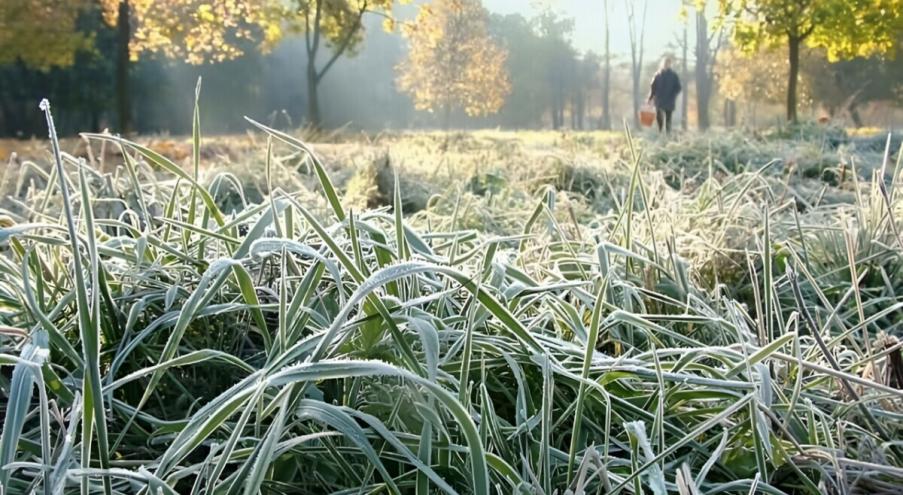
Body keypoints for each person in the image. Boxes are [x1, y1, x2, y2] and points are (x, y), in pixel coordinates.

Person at [647, 56, 681, 134]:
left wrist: (673, 95)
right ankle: (660, 132)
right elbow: (653, 87)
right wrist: (650, 98)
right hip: (659, 100)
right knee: (659, 117)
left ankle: (668, 134)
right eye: (665, 63)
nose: (666, 65)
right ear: (662, 64)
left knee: (668, 118)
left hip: (669, 100)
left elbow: (678, 87)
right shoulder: (658, 75)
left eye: (668, 63)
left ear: (670, 65)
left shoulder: (673, 75)